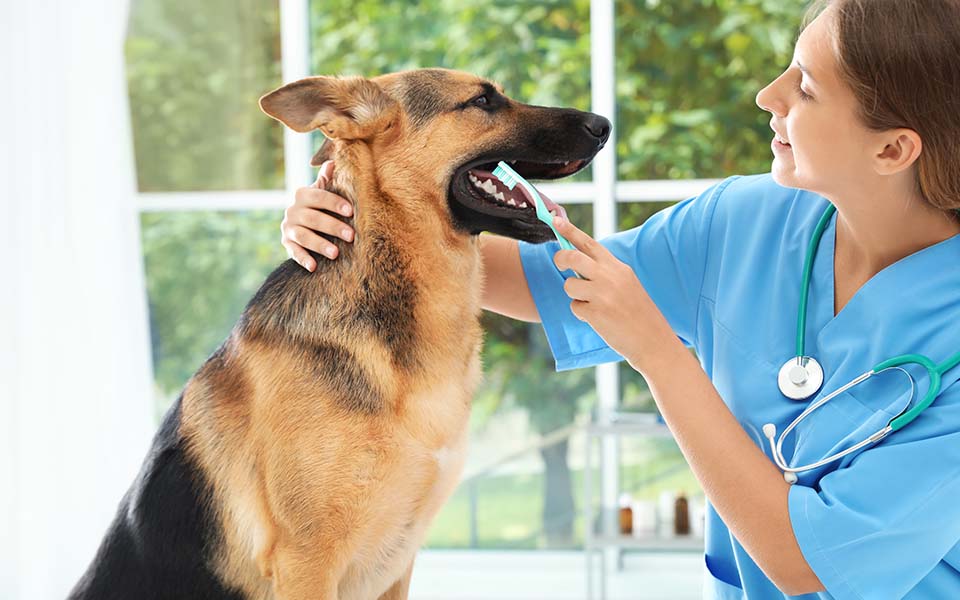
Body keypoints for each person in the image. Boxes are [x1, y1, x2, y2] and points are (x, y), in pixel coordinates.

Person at [279, 1, 960, 597]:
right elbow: (545, 278)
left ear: (893, 148)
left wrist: (659, 355)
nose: (767, 95)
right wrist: (360, 217)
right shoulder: (744, 222)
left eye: (806, 88)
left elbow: (804, 559)